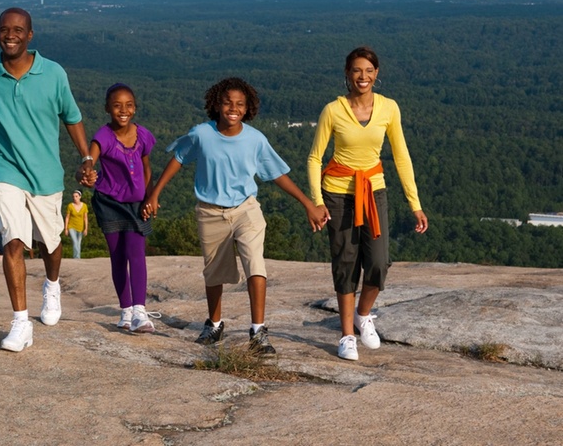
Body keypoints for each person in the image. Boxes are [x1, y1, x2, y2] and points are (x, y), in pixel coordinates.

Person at [0, 7, 96, 353]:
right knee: (12, 240)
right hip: (4, 169)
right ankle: (20, 323)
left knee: (50, 244)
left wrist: (86, 157)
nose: (10, 35)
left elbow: (72, 118)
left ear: (30, 35)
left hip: (45, 174)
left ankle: (52, 284)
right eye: (4, 29)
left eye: (18, 29)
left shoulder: (54, 73)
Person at [143, 77, 327, 353]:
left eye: (240, 104)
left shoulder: (255, 140)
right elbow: (178, 158)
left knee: (255, 263)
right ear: (216, 104)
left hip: (246, 209)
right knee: (214, 272)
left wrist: (308, 204)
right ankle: (215, 325)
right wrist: (155, 193)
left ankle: (258, 332)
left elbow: (277, 175)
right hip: (210, 211)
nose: (233, 108)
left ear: (248, 108)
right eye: (228, 102)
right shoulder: (201, 134)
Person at [307, 46, 428, 362]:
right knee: (345, 262)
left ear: (377, 74)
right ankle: (347, 335)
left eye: (369, 70)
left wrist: (414, 203)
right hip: (337, 194)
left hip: (374, 192)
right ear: (347, 73)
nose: (363, 76)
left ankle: (363, 315)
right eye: (356, 70)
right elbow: (314, 157)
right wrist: (317, 202)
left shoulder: (389, 108)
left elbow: (401, 156)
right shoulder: (333, 110)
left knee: (378, 262)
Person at [87, 83, 157, 332]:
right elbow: (88, 160)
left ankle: (140, 310)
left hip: (137, 204)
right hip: (109, 203)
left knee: (136, 254)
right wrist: (84, 172)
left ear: (135, 108)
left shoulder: (143, 135)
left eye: (128, 105)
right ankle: (125, 311)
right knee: (117, 257)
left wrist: (151, 197)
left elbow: (147, 168)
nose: (123, 110)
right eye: (116, 105)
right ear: (107, 108)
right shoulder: (103, 136)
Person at [63, 190, 89, 259]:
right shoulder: (70, 206)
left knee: (78, 243)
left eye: (76, 196)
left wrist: (86, 228)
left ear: (80, 197)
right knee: (74, 241)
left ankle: (77, 257)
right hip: (71, 226)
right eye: (73, 196)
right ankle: (76, 257)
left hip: (80, 227)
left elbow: (85, 218)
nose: (75, 198)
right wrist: (66, 229)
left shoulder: (84, 206)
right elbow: (67, 217)